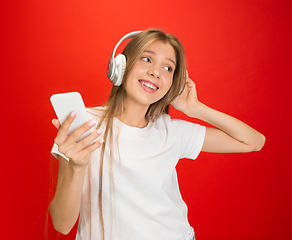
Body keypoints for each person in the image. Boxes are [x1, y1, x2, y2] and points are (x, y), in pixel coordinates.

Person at [49, 29, 265, 240]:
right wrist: (77, 168)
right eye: (146, 59)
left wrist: (195, 108)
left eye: (168, 68)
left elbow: (254, 142)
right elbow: (62, 224)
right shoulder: (83, 124)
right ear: (120, 67)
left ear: (172, 85)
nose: (156, 72)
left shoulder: (172, 131)